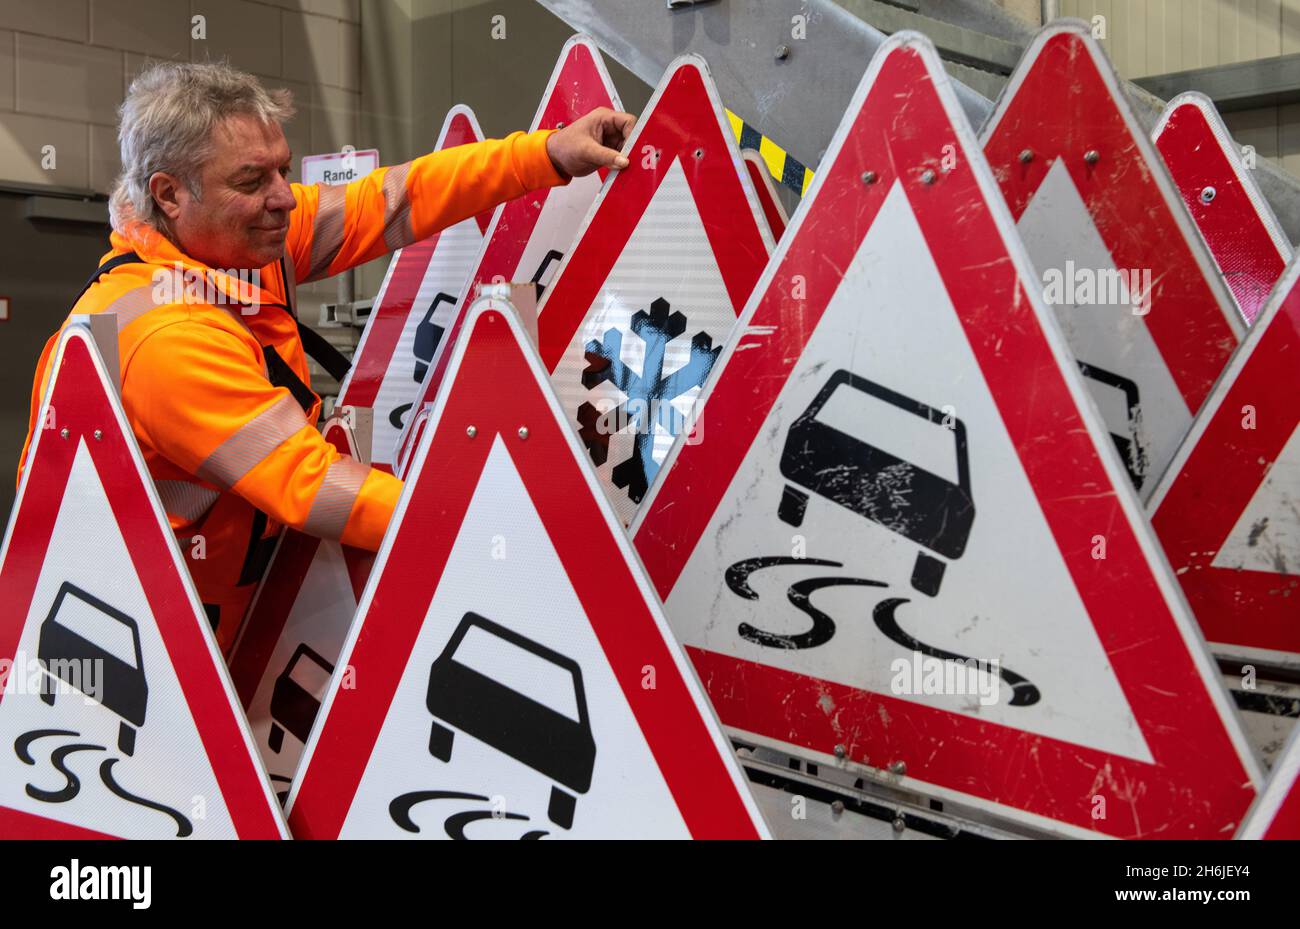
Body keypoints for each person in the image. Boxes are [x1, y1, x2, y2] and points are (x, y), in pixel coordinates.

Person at [17, 61, 635, 653]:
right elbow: (311, 485)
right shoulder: (165, 335)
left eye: (282, 170)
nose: (285, 199)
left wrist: (547, 153)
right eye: (252, 180)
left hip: (208, 617)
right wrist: (498, 528)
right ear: (169, 194)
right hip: (143, 641)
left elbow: (395, 199)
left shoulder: (231, 246)